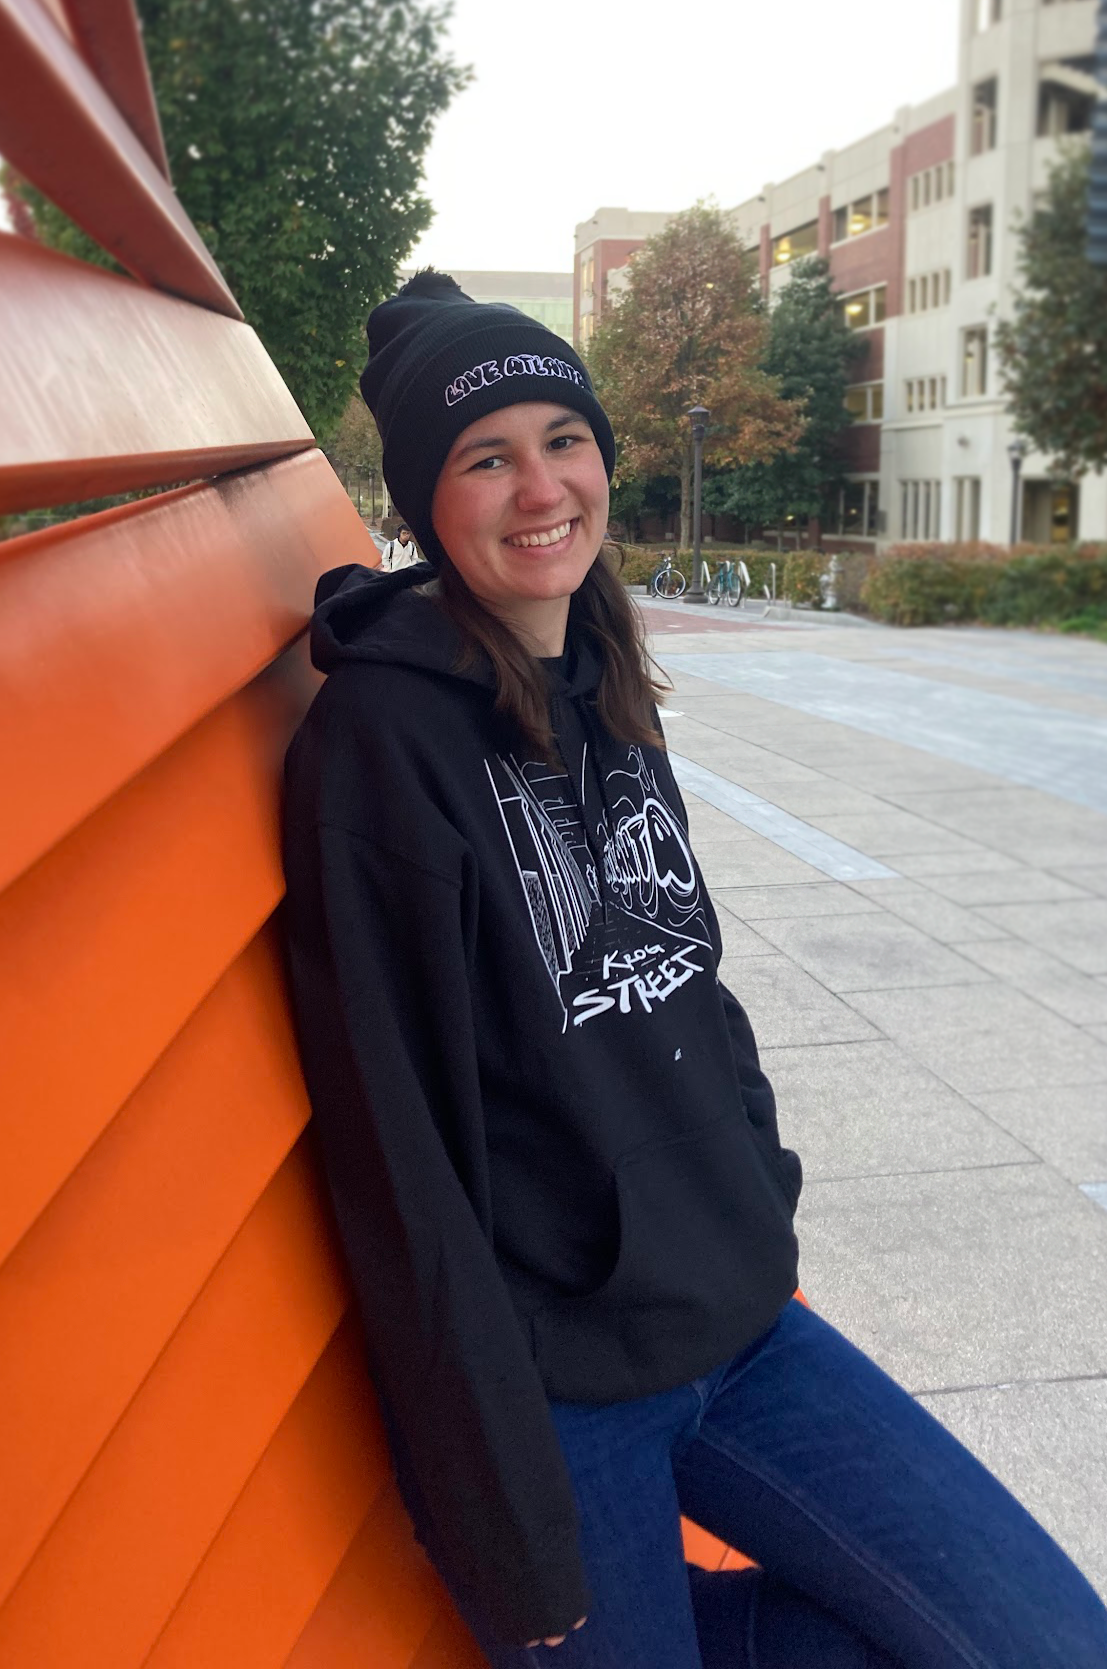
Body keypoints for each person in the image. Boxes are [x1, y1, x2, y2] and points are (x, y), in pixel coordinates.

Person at [282, 272, 1107, 1667]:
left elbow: (691, 971)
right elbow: (397, 1158)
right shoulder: (376, 752)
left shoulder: (600, 666)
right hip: (560, 1398)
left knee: (1046, 1640)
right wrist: (506, 1523)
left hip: (738, 1325)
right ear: (429, 501)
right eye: (486, 458)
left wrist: (752, 1183)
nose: (541, 486)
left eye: (565, 439)